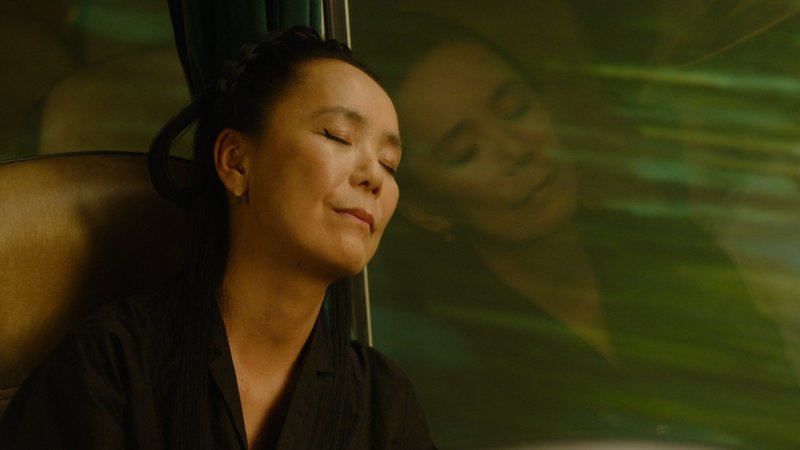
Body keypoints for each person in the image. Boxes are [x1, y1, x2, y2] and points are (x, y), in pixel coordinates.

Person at [354, 12, 800, 449]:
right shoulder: (434, 354)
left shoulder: (671, 252)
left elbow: (778, 411)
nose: (516, 150)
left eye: (516, 109)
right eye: (465, 151)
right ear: (427, 209)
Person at [0, 26, 435, 450]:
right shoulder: (112, 364)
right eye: (337, 136)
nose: (374, 176)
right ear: (236, 162)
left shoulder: (384, 403)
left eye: (389, 162)